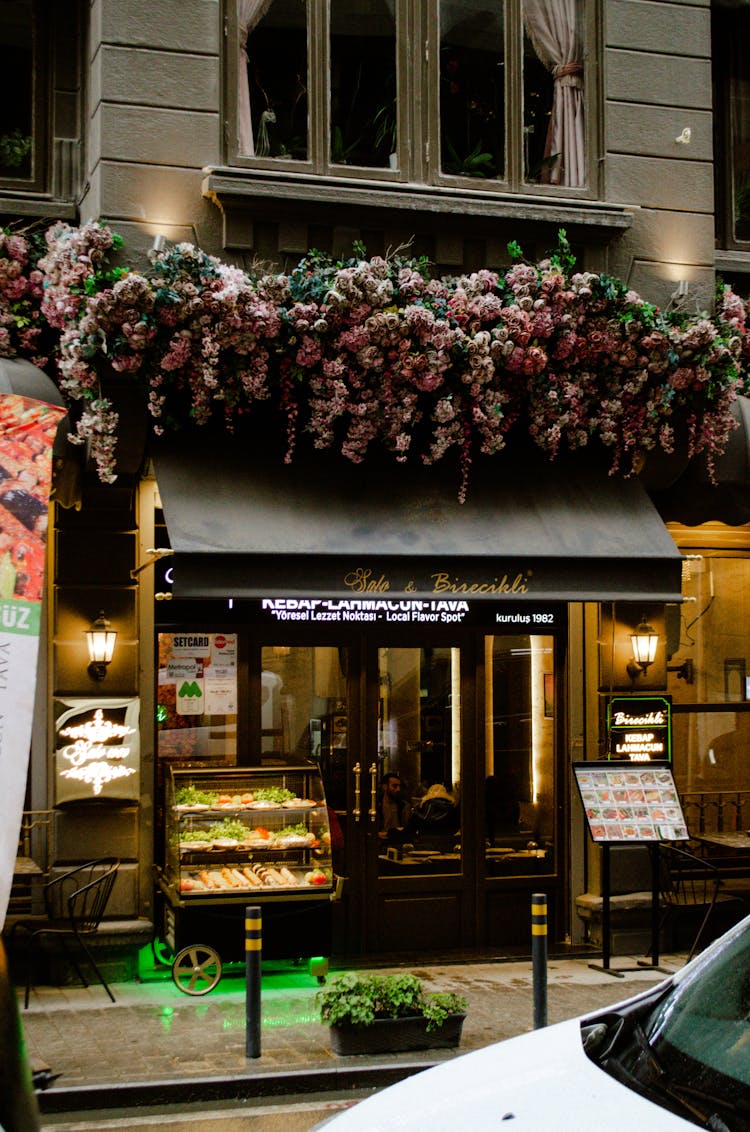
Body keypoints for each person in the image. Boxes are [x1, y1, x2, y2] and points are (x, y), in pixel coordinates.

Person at [378, 773, 409, 840]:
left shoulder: (403, 805)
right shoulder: (377, 805)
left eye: (399, 786)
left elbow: (407, 829)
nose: (398, 789)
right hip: (380, 841)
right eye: (395, 786)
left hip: (397, 840)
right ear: (385, 787)